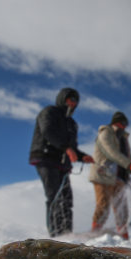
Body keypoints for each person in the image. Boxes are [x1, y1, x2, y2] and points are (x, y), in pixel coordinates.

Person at [30, 87, 94, 237]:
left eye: (76, 102)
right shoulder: (49, 112)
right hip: (46, 158)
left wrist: (83, 156)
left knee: (66, 200)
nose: (73, 103)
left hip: (62, 164)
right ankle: (55, 234)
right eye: (71, 99)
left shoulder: (72, 123)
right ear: (63, 98)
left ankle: (66, 234)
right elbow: (47, 131)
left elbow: (73, 148)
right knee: (54, 196)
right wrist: (67, 148)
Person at [89, 111, 131, 240]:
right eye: (123, 123)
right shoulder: (106, 133)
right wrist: (129, 164)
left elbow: (128, 156)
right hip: (103, 174)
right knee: (103, 204)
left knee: (122, 208)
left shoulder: (124, 139)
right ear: (116, 122)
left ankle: (124, 237)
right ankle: (95, 235)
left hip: (119, 178)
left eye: (126, 124)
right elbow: (111, 152)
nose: (125, 126)